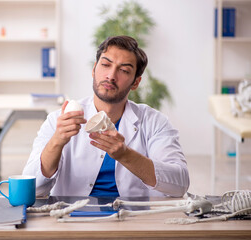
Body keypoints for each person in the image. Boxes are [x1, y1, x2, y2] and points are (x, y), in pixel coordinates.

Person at [23, 35, 189, 198]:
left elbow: (180, 184)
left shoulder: (154, 122)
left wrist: (126, 155)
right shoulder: (58, 120)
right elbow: (32, 189)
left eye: (124, 70)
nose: (111, 75)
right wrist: (56, 142)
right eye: (105, 65)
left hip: (133, 218)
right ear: (94, 69)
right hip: (73, 218)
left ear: (136, 83)